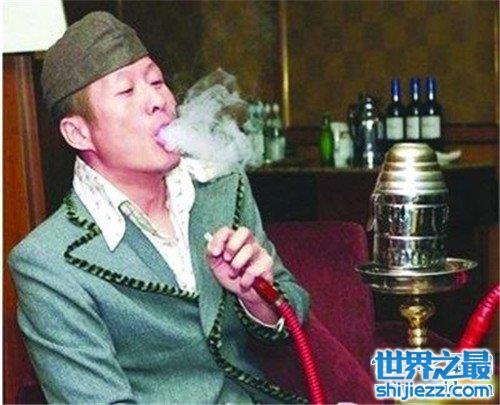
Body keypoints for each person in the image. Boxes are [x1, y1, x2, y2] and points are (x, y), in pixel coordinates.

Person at [8, 11, 310, 404]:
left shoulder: (223, 189)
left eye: (155, 81)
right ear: (78, 132)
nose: (158, 101)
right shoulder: (48, 263)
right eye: (126, 91)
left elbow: (293, 315)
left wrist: (257, 299)